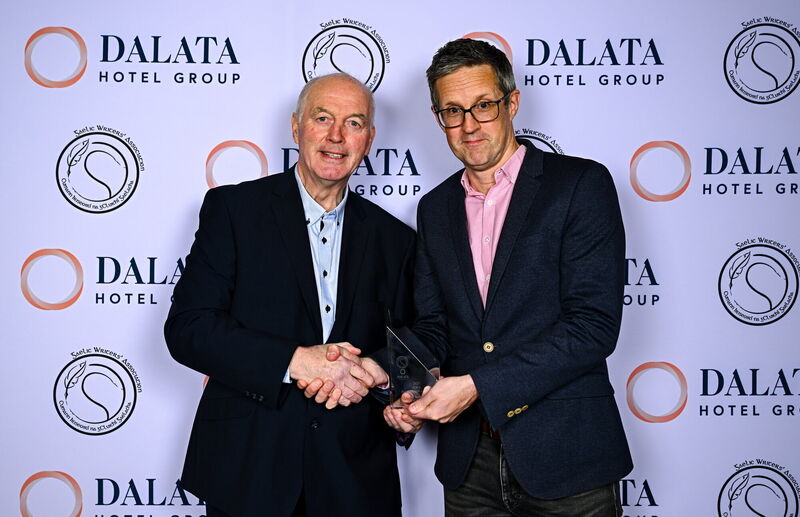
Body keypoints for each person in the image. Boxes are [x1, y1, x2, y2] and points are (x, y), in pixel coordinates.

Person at [388, 38, 633, 515]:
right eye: (452, 111)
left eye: (483, 106)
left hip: (567, 457)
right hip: (469, 463)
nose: (468, 125)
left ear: (512, 102)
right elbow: (435, 328)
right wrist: (404, 385)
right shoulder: (435, 209)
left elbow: (593, 327)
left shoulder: (580, 185)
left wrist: (476, 385)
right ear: (438, 117)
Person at [164, 72, 415, 517]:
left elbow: (414, 340)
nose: (336, 136)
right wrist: (297, 361)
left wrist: (379, 374)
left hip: (354, 479)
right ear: (296, 127)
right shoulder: (233, 212)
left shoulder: (396, 239)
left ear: (370, 139)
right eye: (323, 118)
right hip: (250, 471)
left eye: (354, 123)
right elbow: (189, 328)